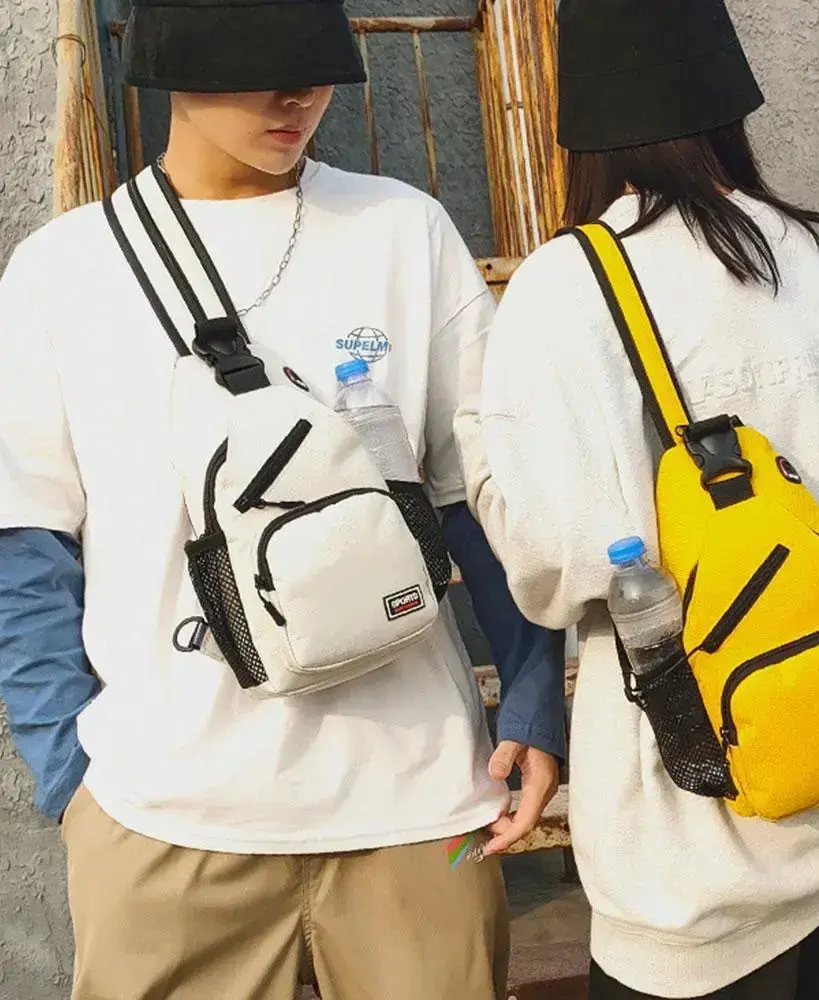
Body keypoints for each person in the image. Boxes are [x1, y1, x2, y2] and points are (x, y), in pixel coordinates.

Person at [0, 1, 564, 997]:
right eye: (256, 66)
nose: (297, 95)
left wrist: (532, 694)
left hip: (415, 803)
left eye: (315, 66)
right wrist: (71, 777)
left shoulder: (403, 232)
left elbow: (474, 498)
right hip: (163, 818)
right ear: (173, 61)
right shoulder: (63, 270)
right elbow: (25, 541)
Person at [453, 1, 819, 998]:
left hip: (694, 860)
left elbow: (554, 564)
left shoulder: (566, 288)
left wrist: (481, 455)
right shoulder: (813, 262)